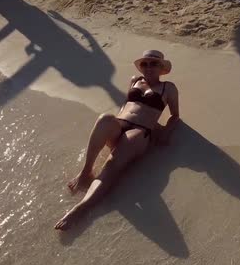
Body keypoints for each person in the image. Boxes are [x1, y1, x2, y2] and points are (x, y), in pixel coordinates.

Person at [55, 50, 180, 230]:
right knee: (105, 118)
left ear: (162, 68)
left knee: (112, 163)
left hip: (139, 132)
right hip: (119, 125)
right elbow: (125, 105)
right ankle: (86, 171)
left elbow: (175, 116)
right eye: (145, 64)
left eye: (154, 64)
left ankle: (81, 208)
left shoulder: (168, 88)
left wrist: (167, 131)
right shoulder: (135, 81)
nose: (149, 67)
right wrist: (117, 121)